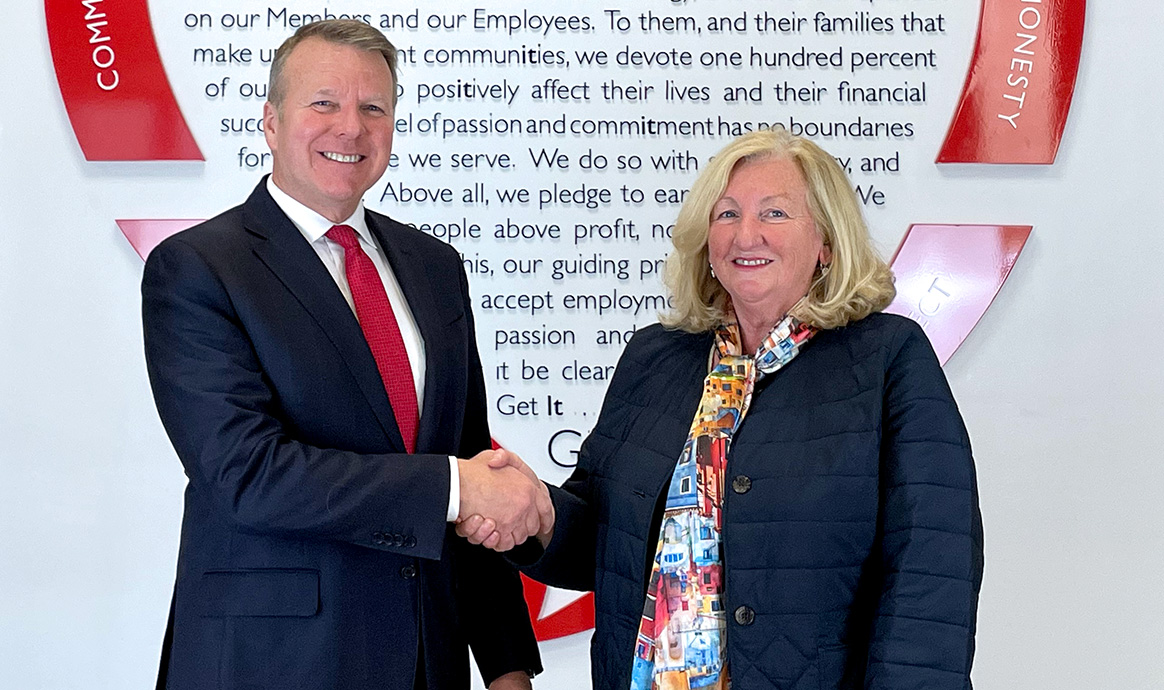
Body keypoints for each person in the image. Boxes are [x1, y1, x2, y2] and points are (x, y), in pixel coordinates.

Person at [460, 130, 984, 688]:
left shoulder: (888, 359)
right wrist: (539, 514)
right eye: (726, 213)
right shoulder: (654, 357)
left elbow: (932, 573)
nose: (745, 234)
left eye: (775, 213)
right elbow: (605, 536)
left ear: (826, 242)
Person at [142, 19, 548, 690]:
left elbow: (472, 458)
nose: (350, 128)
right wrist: (453, 487)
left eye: (373, 108)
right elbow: (248, 475)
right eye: (323, 103)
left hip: (425, 659)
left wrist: (505, 662)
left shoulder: (434, 266)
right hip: (272, 664)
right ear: (271, 122)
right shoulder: (198, 269)